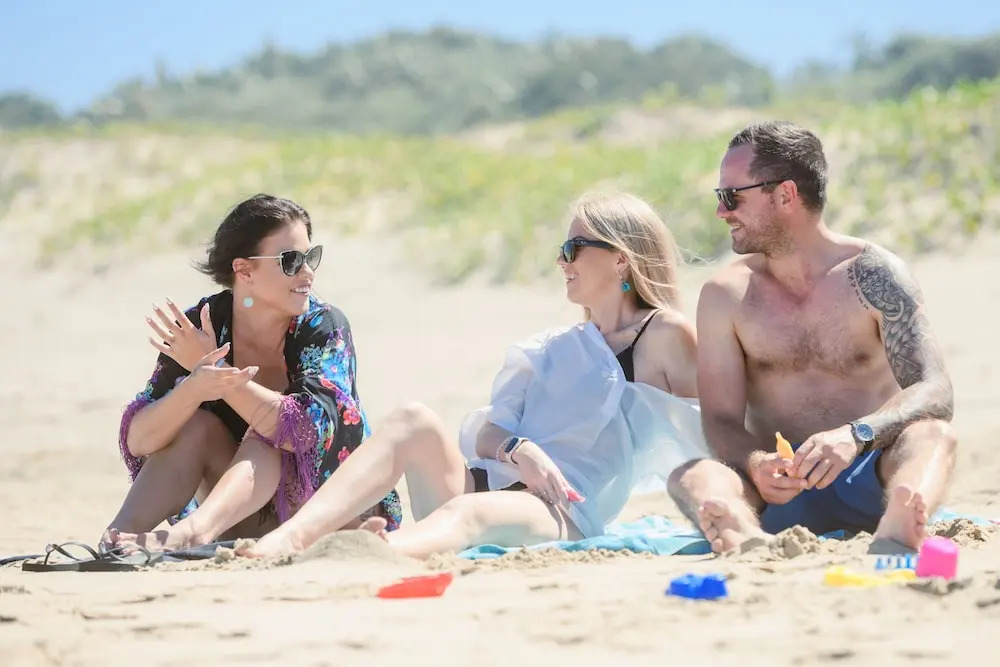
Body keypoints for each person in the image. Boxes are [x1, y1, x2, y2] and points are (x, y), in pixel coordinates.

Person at [237, 190, 710, 559]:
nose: (561, 261)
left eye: (573, 248)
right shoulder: (552, 346)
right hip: (487, 482)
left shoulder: (662, 335)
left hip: (560, 508)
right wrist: (519, 449)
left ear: (621, 258)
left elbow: (708, 433)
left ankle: (362, 551)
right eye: (562, 249)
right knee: (413, 419)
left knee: (468, 512)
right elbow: (487, 432)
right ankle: (296, 535)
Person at [667, 121, 956, 554]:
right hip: (778, 490)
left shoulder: (875, 275)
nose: (721, 212)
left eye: (731, 196)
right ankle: (743, 534)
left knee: (934, 437)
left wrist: (856, 435)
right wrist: (756, 463)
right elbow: (721, 420)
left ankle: (898, 525)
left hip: (869, 471)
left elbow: (935, 390)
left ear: (785, 195)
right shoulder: (725, 295)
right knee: (692, 475)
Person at [105, 194, 401, 551]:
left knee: (269, 427)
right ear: (244, 270)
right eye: (291, 261)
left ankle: (191, 534)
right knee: (196, 424)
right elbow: (139, 441)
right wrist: (195, 385)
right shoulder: (204, 325)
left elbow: (303, 432)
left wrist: (219, 374)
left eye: (311, 257)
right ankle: (116, 541)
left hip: (329, 519)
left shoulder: (323, 326)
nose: (308, 273)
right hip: (242, 518)